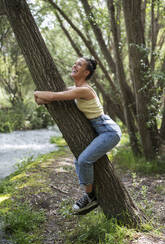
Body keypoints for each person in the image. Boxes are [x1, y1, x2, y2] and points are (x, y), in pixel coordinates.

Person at [34, 57, 122, 214]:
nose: (75, 65)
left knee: (83, 160)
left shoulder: (84, 90)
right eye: (75, 62)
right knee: (79, 161)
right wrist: (41, 97)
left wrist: (36, 92)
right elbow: (44, 99)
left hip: (108, 131)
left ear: (86, 72)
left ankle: (90, 197)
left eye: (79, 64)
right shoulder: (76, 89)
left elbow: (52, 97)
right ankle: (90, 196)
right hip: (101, 130)